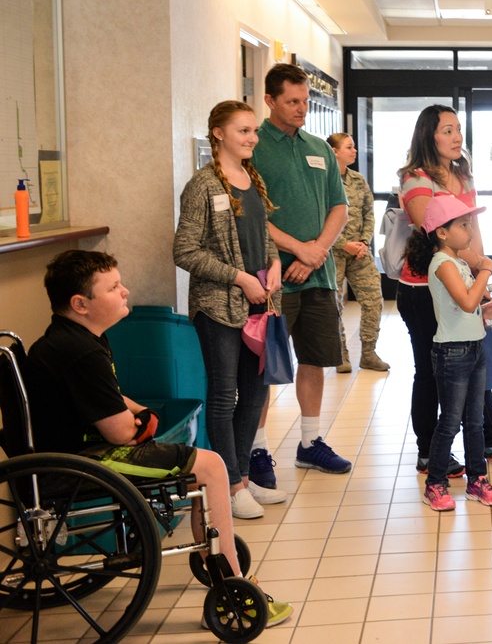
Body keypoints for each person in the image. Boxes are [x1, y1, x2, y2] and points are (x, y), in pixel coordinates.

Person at [25, 250, 293, 627]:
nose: (125, 291)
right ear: (80, 304)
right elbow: (120, 432)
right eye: (114, 287)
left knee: (200, 464)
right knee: (212, 466)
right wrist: (139, 424)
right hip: (83, 461)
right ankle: (235, 585)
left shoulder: (71, 338)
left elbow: (109, 397)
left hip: (75, 449)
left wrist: (140, 412)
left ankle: (215, 555)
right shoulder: (80, 352)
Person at [397, 105, 492, 475]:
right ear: (429, 136)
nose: (457, 137)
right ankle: (428, 451)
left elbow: (472, 234)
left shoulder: (463, 175)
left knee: (476, 359)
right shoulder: (416, 179)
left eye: (458, 129)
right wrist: (476, 267)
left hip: (466, 277)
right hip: (425, 287)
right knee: (430, 370)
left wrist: (486, 278)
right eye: (447, 130)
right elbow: (438, 233)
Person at [174, 101, 288, 519]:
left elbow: (264, 237)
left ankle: (242, 476)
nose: (252, 138)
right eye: (243, 131)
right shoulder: (202, 185)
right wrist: (240, 278)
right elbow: (184, 250)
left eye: (254, 131)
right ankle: (230, 484)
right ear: (218, 134)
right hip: (219, 307)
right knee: (224, 396)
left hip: (261, 303)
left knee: (255, 393)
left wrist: (274, 265)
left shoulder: (252, 179)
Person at [249, 62, 351, 479]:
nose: (301, 109)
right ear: (270, 100)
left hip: (319, 276)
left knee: (316, 359)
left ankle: (310, 442)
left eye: (305, 101)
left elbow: (339, 208)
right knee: (263, 367)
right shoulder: (253, 147)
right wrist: (298, 250)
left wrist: (318, 250)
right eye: (292, 102)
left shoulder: (319, 146)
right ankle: (255, 450)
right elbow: (252, 215)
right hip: (271, 279)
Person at [403, 196, 492, 511]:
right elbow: (465, 302)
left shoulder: (459, 262)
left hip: (474, 347)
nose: (470, 230)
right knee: (449, 421)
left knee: (474, 421)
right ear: (442, 233)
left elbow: (467, 307)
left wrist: (487, 311)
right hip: (452, 354)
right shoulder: (442, 263)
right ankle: (435, 484)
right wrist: (485, 272)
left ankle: (478, 480)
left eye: (469, 223)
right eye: (463, 225)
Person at [327, 132, 390, 373]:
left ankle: (368, 353)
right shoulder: (323, 180)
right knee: (333, 305)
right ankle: (340, 354)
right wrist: (342, 243)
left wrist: (363, 241)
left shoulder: (358, 180)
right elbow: (320, 218)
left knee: (374, 299)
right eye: (349, 147)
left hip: (360, 252)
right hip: (332, 252)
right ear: (334, 151)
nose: (354, 151)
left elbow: (368, 212)